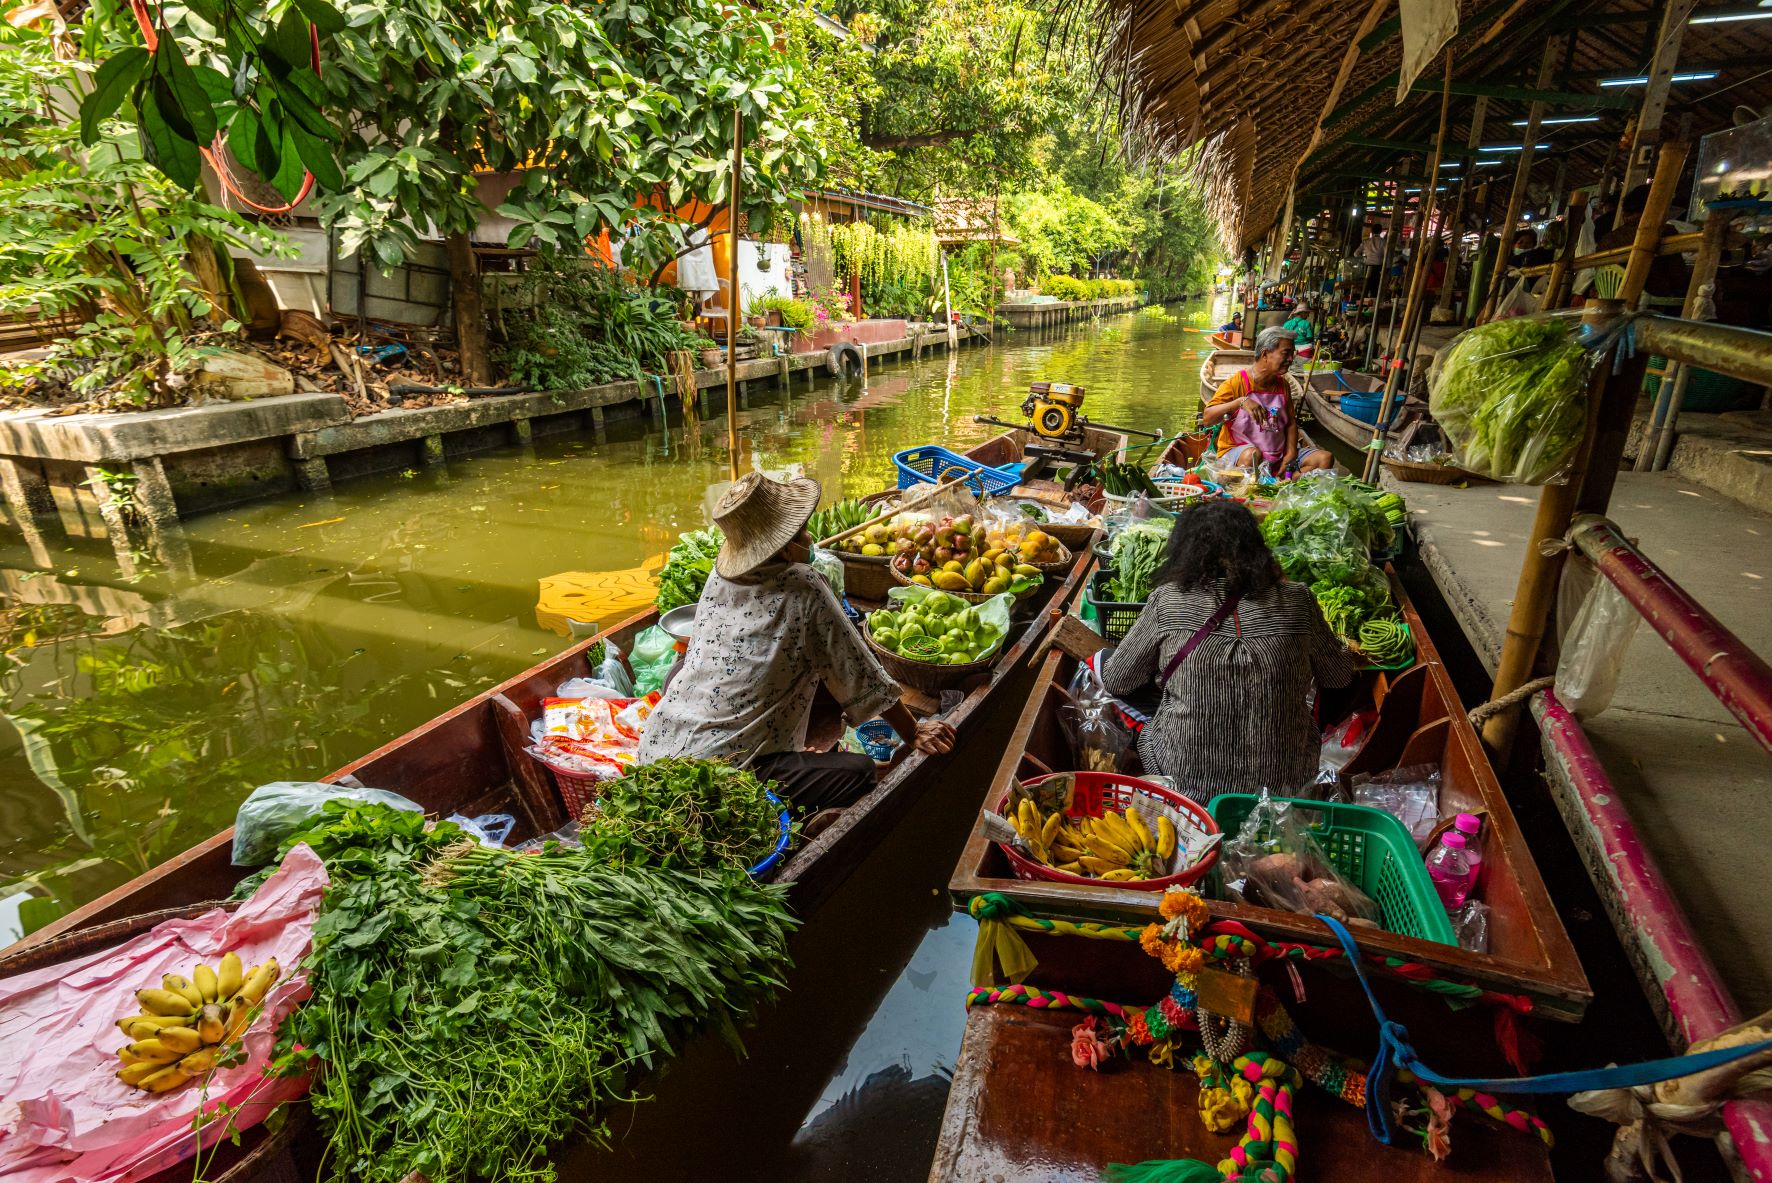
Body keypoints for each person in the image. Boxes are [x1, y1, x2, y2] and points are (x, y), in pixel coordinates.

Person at [638, 472, 955, 813]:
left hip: (657, 748)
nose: (810, 536)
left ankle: (788, 756)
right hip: (715, 780)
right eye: (801, 531)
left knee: (680, 673)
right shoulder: (803, 585)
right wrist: (914, 732)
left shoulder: (720, 574)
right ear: (785, 546)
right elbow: (860, 672)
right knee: (861, 772)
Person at [1099, 500, 1356, 803]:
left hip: (1187, 785)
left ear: (1184, 549)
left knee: (1102, 661)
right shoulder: (1298, 599)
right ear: (1256, 548)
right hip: (1286, 784)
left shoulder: (1166, 601)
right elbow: (1339, 677)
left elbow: (1116, 680)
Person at [1201, 325, 1333, 476]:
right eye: (1286, 353)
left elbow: (1290, 423)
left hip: (1278, 453)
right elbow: (1207, 418)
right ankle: (1275, 479)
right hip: (1242, 453)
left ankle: (1283, 480)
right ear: (1265, 354)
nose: (1291, 359)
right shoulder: (1236, 383)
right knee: (1253, 456)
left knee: (1325, 459)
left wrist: (1290, 452)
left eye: (1292, 353)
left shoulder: (1283, 385)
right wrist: (1240, 402)